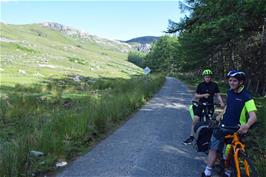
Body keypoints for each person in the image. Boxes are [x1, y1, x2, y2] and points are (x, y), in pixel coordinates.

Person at [202, 70, 257, 177]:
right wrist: (220, 114)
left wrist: (247, 125)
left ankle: (227, 171)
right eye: (230, 80)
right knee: (214, 147)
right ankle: (207, 171)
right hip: (223, 125)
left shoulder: (247, 96)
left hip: (237, 128)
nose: (231, 83)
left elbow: (253, 116)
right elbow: (228, 106)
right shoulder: (230, 92)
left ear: (241, 82)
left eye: (234, 81)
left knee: (231, 151)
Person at [184, 69, 224, 145]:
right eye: (206, 77)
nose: (207, 78)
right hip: (201, 104)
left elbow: (218, 95)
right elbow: (196, 95)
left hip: (210, 105)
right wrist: (203, 95)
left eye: (209, 77)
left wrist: (221, 102)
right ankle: (191, 137)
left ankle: (207, 138)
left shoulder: (214, 85)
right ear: (203, 77)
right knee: (195, 120)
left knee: (210, 122)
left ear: (211, 77)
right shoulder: (200, 85)